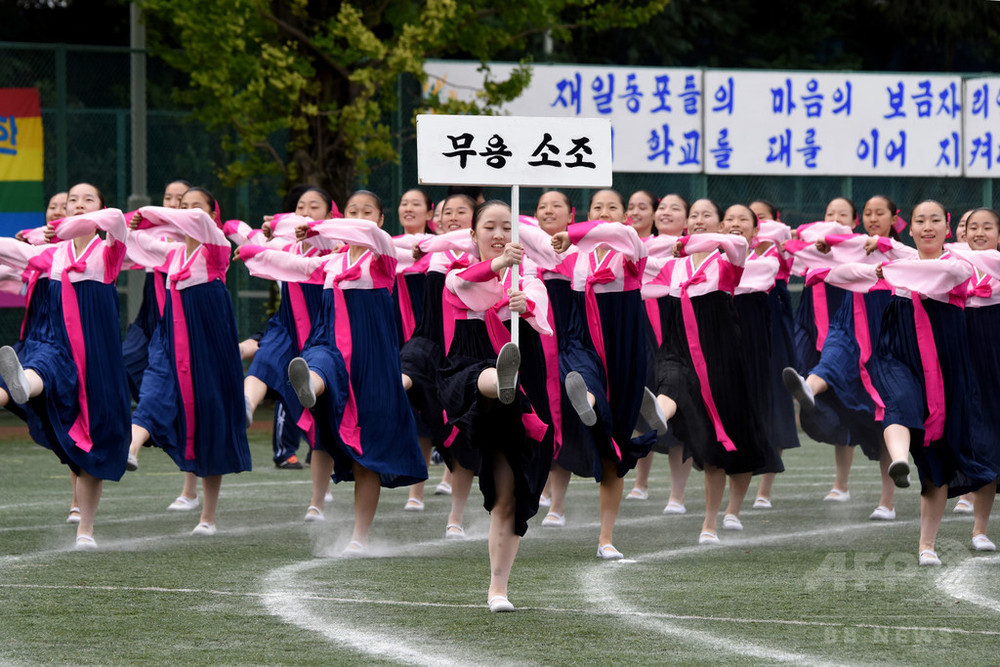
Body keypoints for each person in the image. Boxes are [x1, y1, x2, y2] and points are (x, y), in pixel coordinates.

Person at [244, 190, 427, 554]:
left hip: (370, 362)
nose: (359, 218)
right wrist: (253, 253)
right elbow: (292, 265)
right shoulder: (331, 262)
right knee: (317, 363)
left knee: (367, 458)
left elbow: (369, 235)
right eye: (352, 211)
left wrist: (314, 226)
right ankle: (308, 385)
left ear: (380, 219)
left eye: (367, 212)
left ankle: (359, 536)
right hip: (328, 344)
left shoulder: (383, 257)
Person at [0, 183, 130, 549]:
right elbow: (14, 251)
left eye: (88, 199)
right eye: (72, 200)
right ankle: (23, 384)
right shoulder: (53, 254)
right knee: (43, 367)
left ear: (100, 207)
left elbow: (117, 220)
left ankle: (85, 529)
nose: (77, 205)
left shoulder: (109, 251)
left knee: (95, 439)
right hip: (57, 346)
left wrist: (69, 226)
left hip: (96, 360)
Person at [438, 200, 553, 612]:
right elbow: (470, 282)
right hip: (470, 372)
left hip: (524, 370)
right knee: (484, 377)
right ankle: (501, 382)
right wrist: (501, 263)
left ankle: (497, 590)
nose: (500, 233)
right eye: (490, 226)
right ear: (474, 235)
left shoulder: (530, 276)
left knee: (509, 493)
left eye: (508, 226)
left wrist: (527, 306)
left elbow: (542, 314)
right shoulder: (457, 275)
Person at [874, 200, 998, 565]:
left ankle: (970, 532)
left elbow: (935, 275)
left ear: (948, 231)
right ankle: (899, 462)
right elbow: (850, 271)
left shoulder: (958, 264)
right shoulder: (908, 261)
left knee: (949, 452)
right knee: (899, 405)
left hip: (951, 364)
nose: (927, 227)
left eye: (934, 221)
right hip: (902, 352)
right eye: (919, 221)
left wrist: (889, 269)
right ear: (909, 228)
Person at [125, 188, 252, 536]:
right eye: (182, 206)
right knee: (153, 392)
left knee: (212, 417)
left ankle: (207, 516)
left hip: (209, 343)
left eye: (197, 207)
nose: (188, 213)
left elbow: (194, 221)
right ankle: (131, 448)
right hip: (170, 339)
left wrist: (155, 214)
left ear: (214, 216)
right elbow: (131, 240)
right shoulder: (172, 253)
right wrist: (135, 226)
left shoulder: (217, 248)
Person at [644, 198, 768, 544]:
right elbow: (639, 261)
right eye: (694, 215)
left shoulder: (728, 260)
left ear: (719, 223)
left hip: (722, 359)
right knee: (671, 382)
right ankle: (658, 412)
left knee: (733, 441)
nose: (699, 220)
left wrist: (696, 243)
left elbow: (738, 243)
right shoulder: (672, 265)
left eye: (707, 215)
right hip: (678, 349)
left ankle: (727, 513)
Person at [549, 188, 661, 559]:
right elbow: (535, 245)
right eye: (597, 207)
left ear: (625, 215)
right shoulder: (573, 254)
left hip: (623, 344)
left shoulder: (630, 247)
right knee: (581, 375)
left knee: (615, 443)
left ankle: (606, 539)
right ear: (583, 212)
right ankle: (588, 400)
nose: (605, 213)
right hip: (581, 337)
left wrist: (578, 232)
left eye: (613, 207)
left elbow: (623, 235)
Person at [782, 195, 911, 518]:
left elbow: (913, 263)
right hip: (851, 316)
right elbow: (795, 243)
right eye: (868, 213)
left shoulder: (899, 249)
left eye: (879, 213)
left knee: (884, 409)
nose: (872, 218)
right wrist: (826, 241)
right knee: (832, 361)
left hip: (888, 325)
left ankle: (888, 501)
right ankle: (809, 388)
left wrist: (881, 243)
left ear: (893, 218)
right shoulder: (849, 244)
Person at [240, 186, 338, 481]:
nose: (306, 213)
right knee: (265, 361)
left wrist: (281, 221)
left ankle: (321, 492)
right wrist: (256, 241)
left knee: (324, 409)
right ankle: (245, 405)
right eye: (300, 207)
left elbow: (327, 228)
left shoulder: (334, 242)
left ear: (330, 214)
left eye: (314, 207)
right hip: (287, 322)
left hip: (323, 326)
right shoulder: (288, 245)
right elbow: (237, 230)